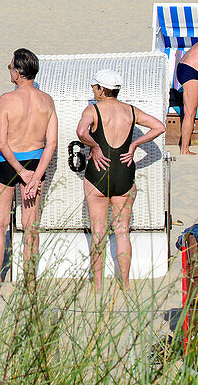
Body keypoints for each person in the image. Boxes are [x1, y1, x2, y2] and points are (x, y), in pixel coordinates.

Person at [77, 69, 166, 292]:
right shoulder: (131, 111)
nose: (93, 91)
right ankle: (125, 284)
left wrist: (95, 146)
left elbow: (81, 131)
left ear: (101, 89)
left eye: (94, 87)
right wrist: (135, 145)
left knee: (98, 232)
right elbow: (159, 126)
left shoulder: (93, 109)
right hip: (124, 174)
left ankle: (97, 286)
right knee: (122, 231)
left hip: (98, 172)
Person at [0, 48, 58, 290]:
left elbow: (2, 144)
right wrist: (34, 175)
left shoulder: (6, 100)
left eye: (10, 68)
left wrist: (21, 172)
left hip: (8, 164)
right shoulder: (46, 101)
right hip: (35, 164)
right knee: (31, 226)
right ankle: (29, 282)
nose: (9, 71)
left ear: (17, 73)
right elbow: (52, 144)